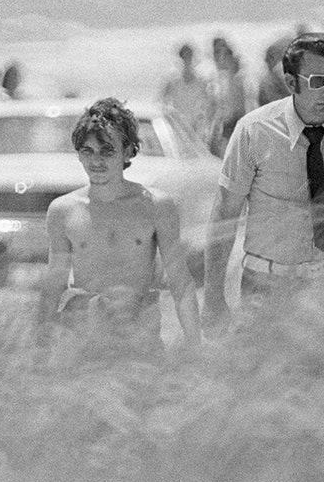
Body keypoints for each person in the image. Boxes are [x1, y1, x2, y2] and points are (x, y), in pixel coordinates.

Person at [202, 33, 324, 338]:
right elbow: (224, 214)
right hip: (268, 290)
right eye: (318, 81)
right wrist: (214, 296)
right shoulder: (253, 132)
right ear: (291, 83)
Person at [37, 97, 201, 363]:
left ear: (127, 152)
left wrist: (195, 350)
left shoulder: (156, 206)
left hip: (140, 342)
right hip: (83, 342)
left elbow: (181, 283)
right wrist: (39, 349)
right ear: (78, 153)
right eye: (87, 151)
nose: (96, 160)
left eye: (107, 150)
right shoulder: (63, 210)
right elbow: (54, 283)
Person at [158, 42, 214, 145]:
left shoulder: (202, 82)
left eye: (189, 56)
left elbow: (209, 105)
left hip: (197, 131)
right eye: (184, 57)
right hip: (177, 129)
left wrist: (204, 123)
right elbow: (161, 103)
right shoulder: (172, 81)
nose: (187, 60)